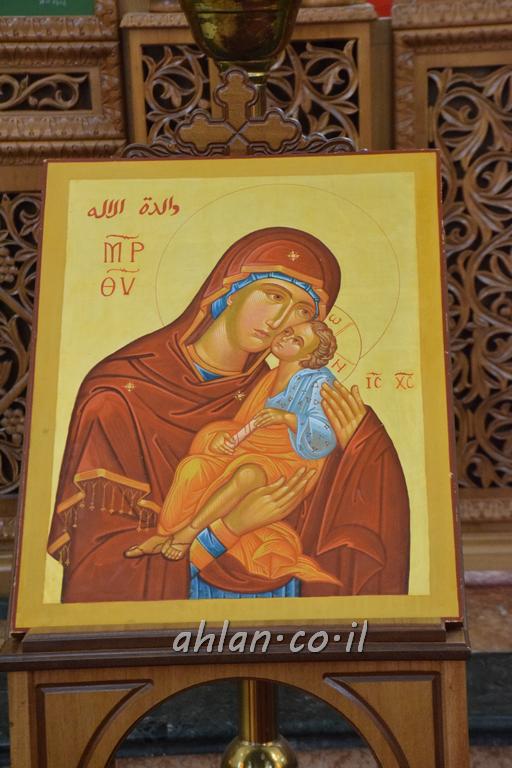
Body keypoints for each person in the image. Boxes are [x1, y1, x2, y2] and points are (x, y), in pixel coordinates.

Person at [47, 226, 410, 602]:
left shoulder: (281, 393)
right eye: (274, 295)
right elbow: (104, 572)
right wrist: (229, 528)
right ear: (230, 289)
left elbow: (325, 508)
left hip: (285, 612)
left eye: (302, 311)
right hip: (173, 618)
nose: (280, 320)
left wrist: (362, 450)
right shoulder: (119, 395)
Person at [124, 321, 341, 590]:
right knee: (194, 467)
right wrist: (223, 440)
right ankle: (167, 533)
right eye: (288, 332)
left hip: (291, 463)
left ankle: (187, 533)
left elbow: (324, 437)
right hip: (251, 451)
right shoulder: (269, 378)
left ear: (309, 356)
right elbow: (244, 425)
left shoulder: (319, 383)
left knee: (247, 473)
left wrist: (287, 418)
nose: (285, 338)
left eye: (296, 340)